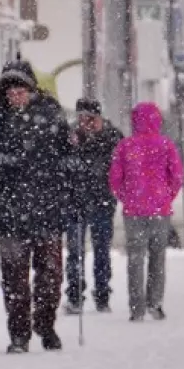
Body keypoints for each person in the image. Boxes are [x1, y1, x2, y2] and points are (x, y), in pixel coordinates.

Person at [0, 58, 75, 353]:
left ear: (32, 90)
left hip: (48, 206)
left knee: (51, 274)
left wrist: (68, 170)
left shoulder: (51, 112)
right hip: (11, 209)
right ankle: (19, 333)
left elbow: (68, 153)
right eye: (11, 92)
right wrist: (5, 162)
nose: (16, 97)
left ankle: (45, 325)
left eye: (21, 91)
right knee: (15, 277)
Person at [109, 102, 184, 322]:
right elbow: (177, 176)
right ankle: (155, 303)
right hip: (160, 210)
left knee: (135, 258)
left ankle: (136, 307)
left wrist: (127, 197)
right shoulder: (165, 145)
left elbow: (115, 178)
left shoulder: (125, 146)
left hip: (134, 211)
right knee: (157, 258)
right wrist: (166, 196)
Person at [65, 98, 123, 315]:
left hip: (102, 201)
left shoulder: (113, 137)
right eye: (82, 119)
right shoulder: (70, 137)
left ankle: (102, 295)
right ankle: (74, 294)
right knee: (74, 251)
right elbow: (62, 165)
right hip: (75, 202)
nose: (87, 124)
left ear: (100, 118)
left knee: (102, 251)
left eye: (91, 119)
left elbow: (121, 166)